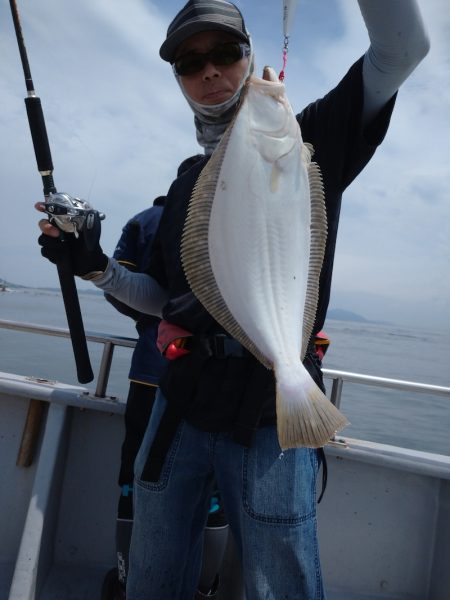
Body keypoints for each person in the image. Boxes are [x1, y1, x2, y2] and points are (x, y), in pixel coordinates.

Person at [37, 1, 429, 598]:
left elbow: (402, 49)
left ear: (249, 58)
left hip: (271, 404)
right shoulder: (185, 184)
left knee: (280, 579)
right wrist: (97, 269)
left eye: (225, 53)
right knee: (154, 568)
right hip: (182, 397)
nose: (210, 71)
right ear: (179, 81)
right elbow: (168, 300)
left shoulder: (311, 139)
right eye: (191, 63)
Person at [101, 186, 229, 600]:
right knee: (211, 491)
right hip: (218, 380)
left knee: (135, 480)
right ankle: (205, 589)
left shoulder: (144, 220)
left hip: (151, 371)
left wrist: (154, 318)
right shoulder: (226, 217)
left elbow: (121, 290)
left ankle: (126, 583)